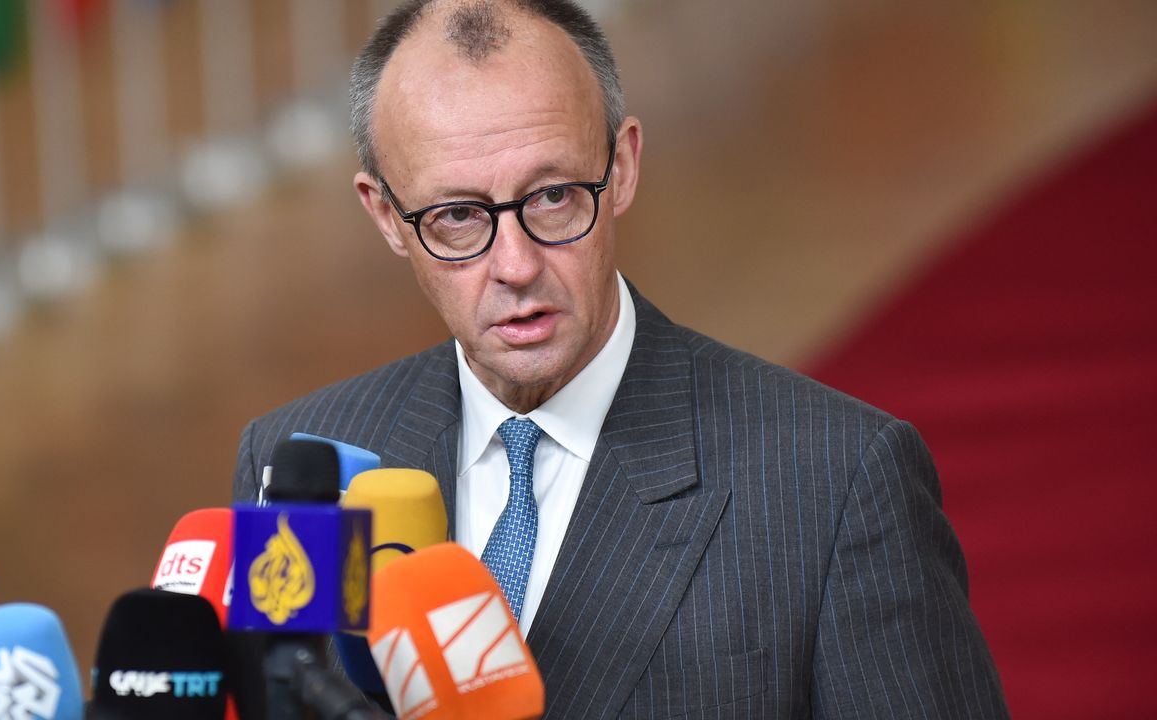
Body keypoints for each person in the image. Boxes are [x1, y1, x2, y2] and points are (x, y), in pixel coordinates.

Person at [233, 1, 1009, 717]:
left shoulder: (835, 482)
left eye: (553, 196)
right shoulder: (295, 466)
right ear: (385, 216)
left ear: (624, 167)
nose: (515, 265)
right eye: (458, 216)